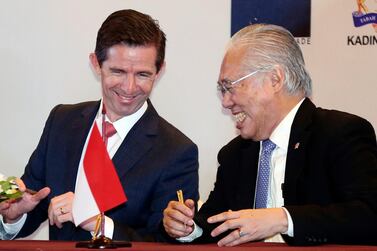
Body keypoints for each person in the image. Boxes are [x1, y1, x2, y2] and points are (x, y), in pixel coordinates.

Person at [163, 23, 377, 246]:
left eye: (230, 87)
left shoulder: (338, 134)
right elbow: (217, 224)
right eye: (222, 90)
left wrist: (283, 219)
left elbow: (369, 216)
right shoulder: (235, 154)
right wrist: (189, 228)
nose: (225, 102)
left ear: (274, 79)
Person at [0, 9, 199, 241]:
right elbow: (35, 201)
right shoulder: (62, 122)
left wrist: (98, 224)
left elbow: (166, 244)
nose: (129, 87)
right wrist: (13, 217)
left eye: (143, 74)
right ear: (96, 63)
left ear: (160, 70)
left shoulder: (177, 151)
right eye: (118, 71)